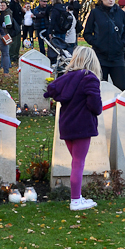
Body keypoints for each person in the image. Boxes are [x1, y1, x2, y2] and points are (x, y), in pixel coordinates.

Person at [44, 46, 102, 210]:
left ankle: (78, 197)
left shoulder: (67, 78)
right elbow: (94, 104)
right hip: (82, 125)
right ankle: (76, 200)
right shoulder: (89, 78)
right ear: (92, 60)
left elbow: (54, 91)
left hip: (67, 125)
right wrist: (97, 110)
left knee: (76, 162)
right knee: (78, 163)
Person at [84, 0, 125, 89]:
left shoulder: (121, 13)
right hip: (100, 57)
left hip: (117, 57)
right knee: (99, 89)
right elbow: (87, 33)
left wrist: (121, 44)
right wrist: (97, 43)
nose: (111, 0)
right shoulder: (95, 13)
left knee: (121, 89)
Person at [8, 0, 24, 65]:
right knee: (14, 41)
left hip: (18, 24)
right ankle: (12, 56)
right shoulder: (11, 5)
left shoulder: (18, 4)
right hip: (14, 25)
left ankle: (16, 54)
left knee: (18, 42)